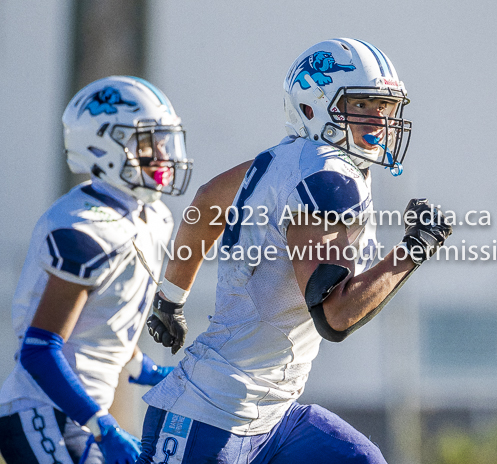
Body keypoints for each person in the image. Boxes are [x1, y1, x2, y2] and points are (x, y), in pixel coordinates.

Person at [138, 38, 452, 463]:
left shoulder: (290, 157)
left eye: (384, 107)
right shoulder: (327, 176)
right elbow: (335, 315)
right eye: (362, 106)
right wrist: (413, 249)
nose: (379, 120)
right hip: (213, 415)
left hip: (274, 413)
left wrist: (170, 298)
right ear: (311, 107)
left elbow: (209, 201)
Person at [0, 76, 193, 464]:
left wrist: (155, 372)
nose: (161, 154)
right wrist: (104, 427)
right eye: (146, 142)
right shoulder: (85, 229)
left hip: (81, 418)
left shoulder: (151, 216)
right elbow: (39, 350)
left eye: (162, 140)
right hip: (44, 414)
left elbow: (102, 331)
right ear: (104, 146)